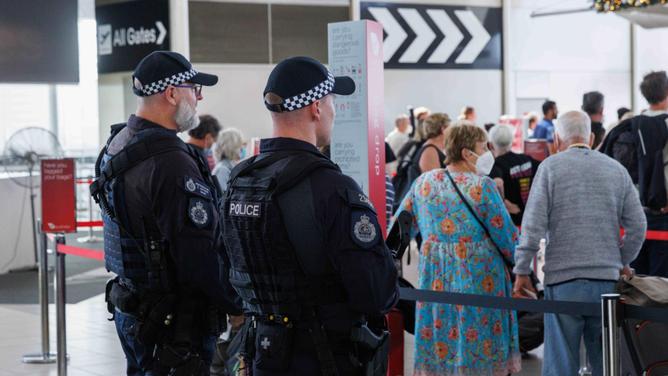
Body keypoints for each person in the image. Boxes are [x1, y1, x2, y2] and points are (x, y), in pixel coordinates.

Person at [221, 56, 399, 376]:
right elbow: (375, 293)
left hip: (261, 351)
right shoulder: (331, 188)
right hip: (322, 357)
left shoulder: (241, 181)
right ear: (317, 107)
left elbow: (227, 269)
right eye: (332, 101)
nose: (334, 110)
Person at [90, 51, 241, 375]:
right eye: (193, 88)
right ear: (171, 93)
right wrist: (235, 306)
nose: (199, 97)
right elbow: (197, 255)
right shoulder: (171, 162)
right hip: (174, 325)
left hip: (132, 309)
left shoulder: (116, 145)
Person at [513, 110, 646, 376]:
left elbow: (533, 225)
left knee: (561, 362)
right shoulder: (615, 170)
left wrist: (522, 269)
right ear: (593, 137)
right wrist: (621, 260)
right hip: (606, 284)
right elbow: (638, 226)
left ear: (557, 138)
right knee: (605, 361)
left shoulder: (550, 168)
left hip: (563, 282)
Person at [395, 124, 521, 376]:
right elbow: (506, 237)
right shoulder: (481, 187)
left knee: (441, 333)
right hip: (479, 276)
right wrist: (522, 265)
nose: (488, 152)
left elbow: (398, 231)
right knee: (479, 336)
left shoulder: (424, 183)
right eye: (482, 147)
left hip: (436, 276)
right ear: (466, 152)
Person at [488, 124, 540, 226]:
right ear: (511, 142)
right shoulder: (527, 159)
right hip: (531, 217)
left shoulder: (495, 165)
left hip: (512, 221)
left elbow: (497, 184)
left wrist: (507, 205)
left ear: (491, 145)